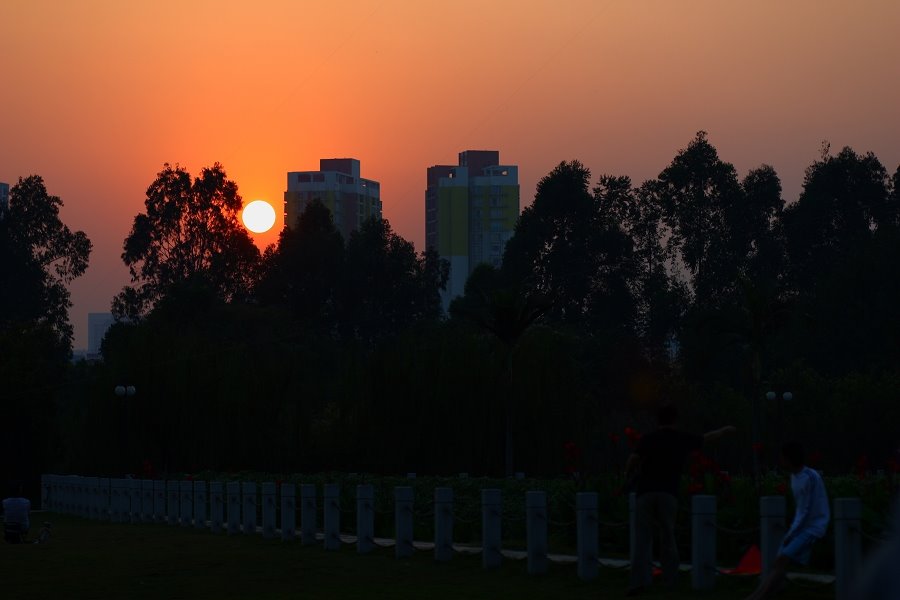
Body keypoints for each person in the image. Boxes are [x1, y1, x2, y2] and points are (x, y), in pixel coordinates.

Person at [624, 404, 736, 596]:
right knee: (668, 537)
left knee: (642, 540)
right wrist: (724, 430)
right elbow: (706, 438)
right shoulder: (681, 439)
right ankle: (670, 582)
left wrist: (628, 476)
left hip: (645, 492)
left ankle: (637, 583)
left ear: (657, 419)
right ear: (675, 419)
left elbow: (633, 460)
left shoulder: (648, 439)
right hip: (668, 492)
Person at [746, 441, 830, 600]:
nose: (780, 460)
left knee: (782, 560)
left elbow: (806, 511)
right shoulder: (794, 477)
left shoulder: (810, 477)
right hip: (799, 529)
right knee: (779, 563)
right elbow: (801, 510)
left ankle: (756, 597)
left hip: (812, 528)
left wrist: (792, 533)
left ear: (788, 458)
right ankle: (762, 594)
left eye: (782, 457)